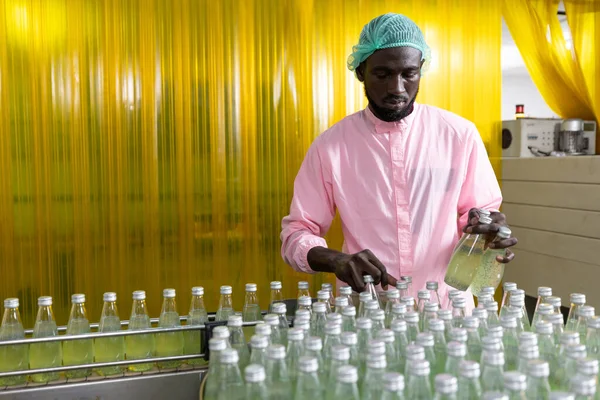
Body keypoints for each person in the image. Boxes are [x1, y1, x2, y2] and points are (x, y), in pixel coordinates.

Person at [280, 13, 517, 309]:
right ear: (360, 72)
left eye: (409, 74)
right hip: (369, 311)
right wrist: (336, 260)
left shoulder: (459, 135)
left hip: (446, 307)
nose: (397, 88)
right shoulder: (331, 147)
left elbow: (476, 216)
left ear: (421, 69)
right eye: (382, 74)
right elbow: (297, 232)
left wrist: (489, 232)